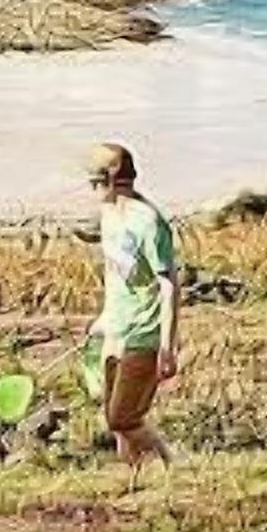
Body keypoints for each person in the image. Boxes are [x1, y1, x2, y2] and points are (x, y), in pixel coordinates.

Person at [86, 143, 181, 468]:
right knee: (113, 416)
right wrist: (103, 317)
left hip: (144, 330)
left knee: (123, 418)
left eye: (94, 183)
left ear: (110, 180)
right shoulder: (108, 213)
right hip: (116, 327)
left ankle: (171, 465)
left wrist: (167, 346)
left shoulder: (149, 222)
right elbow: (117, 274)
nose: (92, 190)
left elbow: (168, 285)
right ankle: (135, 478)